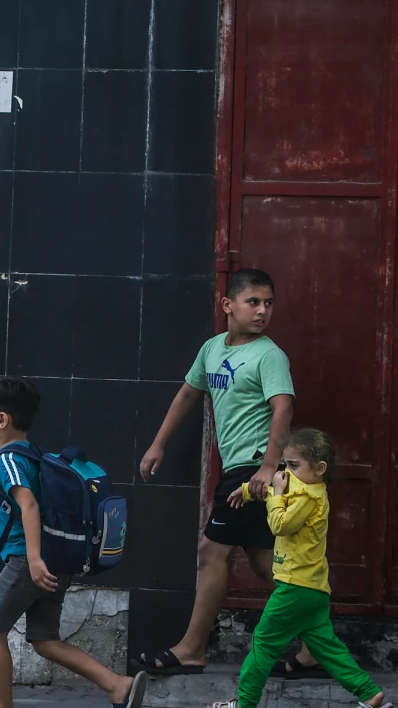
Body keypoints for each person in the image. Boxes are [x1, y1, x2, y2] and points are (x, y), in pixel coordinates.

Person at [133, 268, 327, 679]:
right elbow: (189, 393)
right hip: (242, 468)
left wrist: (269, 467)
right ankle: (317, 646)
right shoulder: (212, 349)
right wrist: (158, 443)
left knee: (211, 552)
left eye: (268, 303)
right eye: (253, 302)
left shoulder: (269, 355)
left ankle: (191, 649)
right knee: (265, 564)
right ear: (228, 305)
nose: (262, 311)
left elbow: (283, 408)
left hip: (251, 470)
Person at [0, 376, 149, 708]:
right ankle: (117, 685)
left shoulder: (7, 458)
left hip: (28, 560)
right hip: (56, 559)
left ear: (2, 420)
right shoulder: (33, 454)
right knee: (45, 639)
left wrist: (32, 559)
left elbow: (29, 505)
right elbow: (28, 501)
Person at [208, 429, 392, 708]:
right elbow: (278, 489)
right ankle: (369, 694)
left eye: (293, 465)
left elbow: (280, 523)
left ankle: (244, 704)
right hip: (312, 587)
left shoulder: (309, 497)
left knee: (264, 640)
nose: (285, 472)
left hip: (295, 585)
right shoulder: (301, 486)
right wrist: (245, 491)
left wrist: (276, 496)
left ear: (320, 469)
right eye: (286, 463)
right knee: (325, 647)